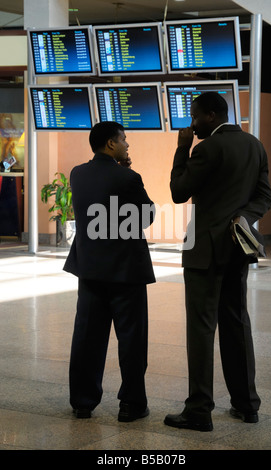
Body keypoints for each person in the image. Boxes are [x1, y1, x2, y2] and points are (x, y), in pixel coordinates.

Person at [164, 92, 271, 432]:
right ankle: (246, 405)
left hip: (204, 252)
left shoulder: (206, 148)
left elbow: (179, 191)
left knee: (201, 329)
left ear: (210, 116)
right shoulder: (255, 145)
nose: (191, 124)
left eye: (194, 117)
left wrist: (182, 149)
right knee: (236, 323)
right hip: (238, 250)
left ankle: (199, 410)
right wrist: (242, 218)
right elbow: (264, 197)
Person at [64, 121, 155, 421]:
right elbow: (147, 217)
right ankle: (131, 404)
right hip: (125, 271)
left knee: (87, 337)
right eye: (124, 140)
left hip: (90, 270)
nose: (127, 145)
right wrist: (127, 170)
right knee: (131, 339)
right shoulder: (127, 177)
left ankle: (82, 402)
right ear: (111, 144)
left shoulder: (77, 174)